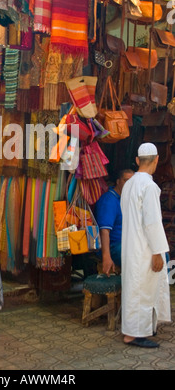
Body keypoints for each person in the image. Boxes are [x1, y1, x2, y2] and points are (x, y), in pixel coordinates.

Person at [121, 143, 171, 348]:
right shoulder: (148, 186)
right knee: (142, 290)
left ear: (137, 161)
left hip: (131, 245)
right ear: (157, 160)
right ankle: (134, 334)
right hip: (144, 248)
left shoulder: (129, 184)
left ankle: (134, 331)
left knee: (134, 288)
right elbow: (152, 222)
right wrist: (158, 252)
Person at [95, 169, 134, 276]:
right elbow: (104, 231)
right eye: (126, 181)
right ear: (118, 181)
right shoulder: (109, 200)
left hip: (127, 243)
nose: (129, 185)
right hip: (114, 246)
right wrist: (106, 256)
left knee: (161, 255)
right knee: (136, 256)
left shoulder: (127, 199)